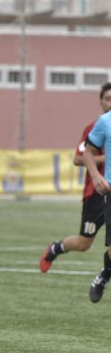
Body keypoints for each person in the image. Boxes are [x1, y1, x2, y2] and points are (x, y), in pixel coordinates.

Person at [40, 83, 111, 273]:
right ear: (100, 102)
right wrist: (105, 158)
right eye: (107, 99)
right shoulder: (94, 128)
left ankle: (103, 277)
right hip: (96, 192)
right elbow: (78, 158)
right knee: (83, 243)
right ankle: (55, 248)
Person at [79, 89, 111, 302]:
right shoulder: (105, 122)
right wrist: (96, 176)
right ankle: (105, 274)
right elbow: (87, 152)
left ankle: (104, 274)